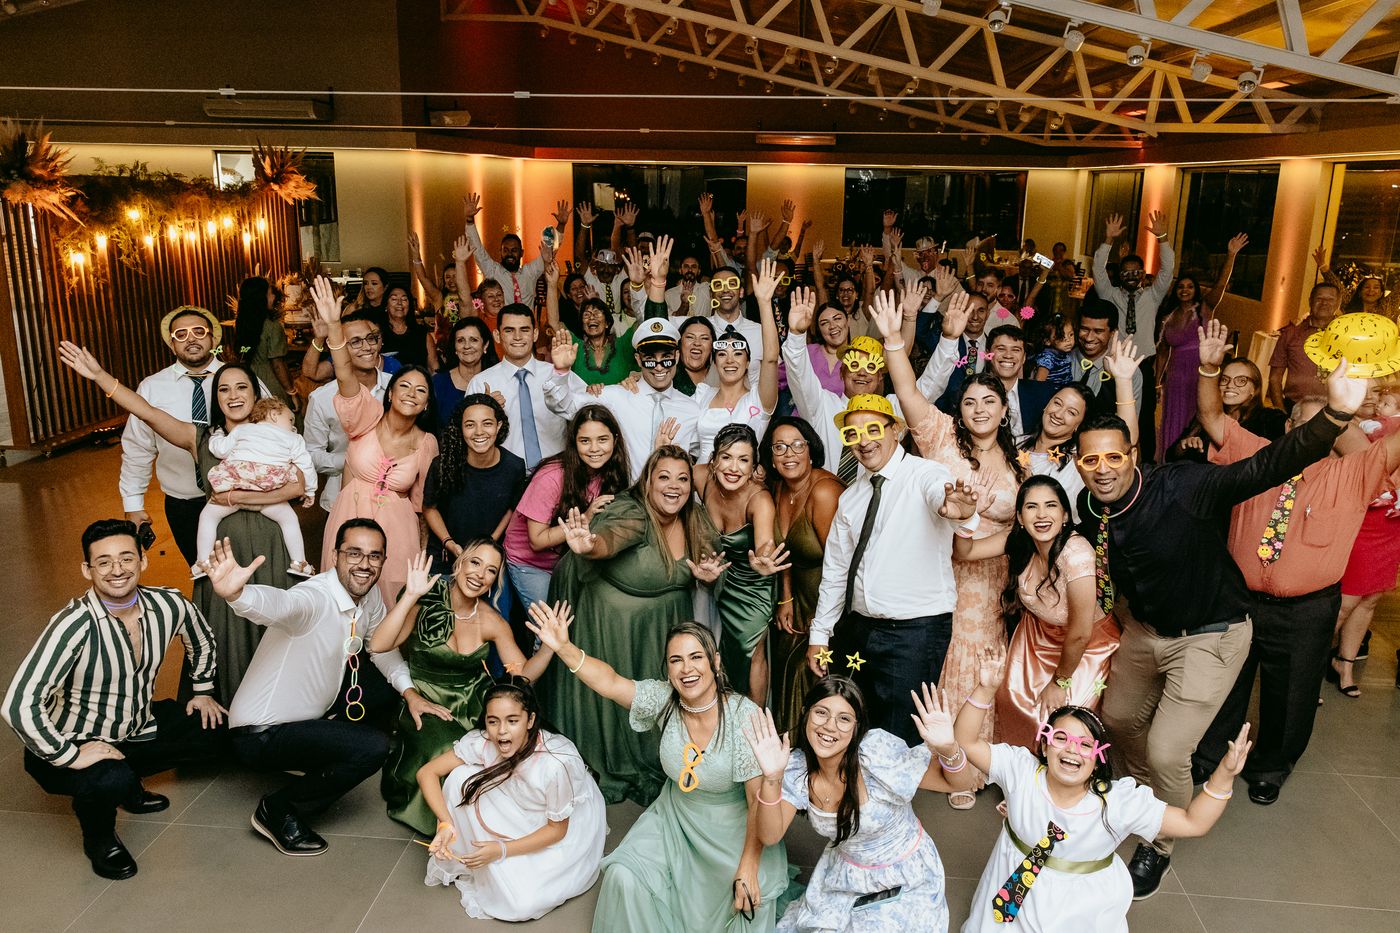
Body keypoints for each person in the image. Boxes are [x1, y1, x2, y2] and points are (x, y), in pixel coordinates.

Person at [1074, 357, 1362, 898]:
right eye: (1091, 459)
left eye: (1115, 456)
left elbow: (1263, 468)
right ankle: (1144, 798)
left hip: (1211, 633)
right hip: (1145, 632)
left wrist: (1336, 416)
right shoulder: (1091, 507)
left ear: (1133, 456)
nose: (1104, 468)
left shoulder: (1185, 486)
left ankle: (1160, 842)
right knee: (1116, 720)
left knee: (1167, 751)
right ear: (1078, 464)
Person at [1190, 319, 1400, 802]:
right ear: (1288, 426)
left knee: (1292, 694)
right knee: (1225, 683)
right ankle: (1210, 754)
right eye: (1305, 424)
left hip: (1307, 608)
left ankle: (1271, 766)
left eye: (1327, 425)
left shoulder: (1353, 473)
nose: (1313, 433)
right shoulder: (1255, 454)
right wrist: (1208, 368)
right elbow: (1211, 416)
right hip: (1240, 600)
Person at [58, 345, 305, 703]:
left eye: (242, 387)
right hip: (223, 551)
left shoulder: (276, 431)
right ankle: (224, 703)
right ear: (215, 398)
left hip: (271, 545)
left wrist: (236, 498)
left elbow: (297, 486)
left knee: (277, 623)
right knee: (225, 628)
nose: (233, 395)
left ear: (255, 394)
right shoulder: (201, 438)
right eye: (224, 389)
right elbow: (147, 412)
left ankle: (284, 706)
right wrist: (100, 377)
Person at [526, 608, 794, 933]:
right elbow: (610, 682)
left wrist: (749, 866)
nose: (686, 669)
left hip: (732, 830)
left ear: (716, 662)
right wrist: (563, 647)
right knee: (624, 876)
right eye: (675, 660)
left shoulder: (743, 716)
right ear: (667, 669)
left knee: (740, 901)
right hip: (674, 819)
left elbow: (756, 803)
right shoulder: (664, 699)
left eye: (696, 657)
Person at [955, 645, 1250, 932]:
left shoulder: (1117, 803)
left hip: (1079, 905)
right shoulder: (1021, 771)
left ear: (1098, 760)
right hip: (1010, 877)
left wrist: (1223, 776)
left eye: (1085, 745)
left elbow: (1193, 822)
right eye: (1061, 738)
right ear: (1045, 746)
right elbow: (966, 741)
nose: (1072, 749)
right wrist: (984, 689)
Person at [3, 519, 225, 880]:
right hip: (74, 739)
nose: (117, 570)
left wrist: (202, 691)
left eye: (126, 558)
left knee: (216, 728)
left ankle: (129, 784)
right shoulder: (73, 624)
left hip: (135, 728)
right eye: (103, 562)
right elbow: (18, 703)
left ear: (143, 560)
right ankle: (100, 839)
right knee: (107, 780)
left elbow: (201, 639)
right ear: (87, 570)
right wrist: (70, 755)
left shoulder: (169, 604)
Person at [209, 523, 431, 857]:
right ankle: (278, 808)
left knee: (385, 692)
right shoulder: (314, 597)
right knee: (373, 747)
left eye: (374, 556)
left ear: (384, 560)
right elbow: (281, 604)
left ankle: (320, 762)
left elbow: (381, 650)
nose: (364, 564)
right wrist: (237, 595)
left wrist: (410, 694)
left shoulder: (369, 596)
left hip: (309, 718)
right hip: (261, 734)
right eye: (354, 553)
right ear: (335, 555)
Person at [543, 446, 724, 803]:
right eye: (664, 477)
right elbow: (611, 538)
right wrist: (590, 544)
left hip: (662, 624)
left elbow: (712, 560)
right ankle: (609, 758)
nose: (673, 486)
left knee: (653, 697)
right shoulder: (632, 511)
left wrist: (707, 577)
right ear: (647, 481)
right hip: (612, 623)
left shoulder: (695, 518)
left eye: (682, 479)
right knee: (612, 694)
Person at [805, 393, 972, 746]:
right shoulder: (851, 497)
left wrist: (954, 509)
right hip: (859, 630)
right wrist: (819, 636)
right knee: (855, 726)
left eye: (873, 429)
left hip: (914, 633)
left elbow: (939, 495)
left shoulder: (925, 473)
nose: (863, 441)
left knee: (900, 737)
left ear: (895, 430)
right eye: (852, 434)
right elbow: (836, 571)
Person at [744, 678, 969, 931]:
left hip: (905, 877)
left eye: (844, 719)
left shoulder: (875, 755)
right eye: (821, 713)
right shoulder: (797, 768)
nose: (829, 726)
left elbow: (959, 783)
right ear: (806, 713)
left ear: (856, 727)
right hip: (846, 878)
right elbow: (769, 835)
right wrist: (772, 778)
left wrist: (949, 748)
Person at [372, 547, 555, 834]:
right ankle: (453, 824)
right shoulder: (425, 599)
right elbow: (378, 645)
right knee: (450, 751)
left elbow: (522, 676)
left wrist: (549, 648)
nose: (480, 574)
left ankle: (503, 820)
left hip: (476, 701)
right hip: (426, 700)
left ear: (494, 580)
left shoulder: (492, 620)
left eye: (491, 570)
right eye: (475, 563)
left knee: (528, 742)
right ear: (459, 563)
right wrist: (410, 596)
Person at [945, 476, 1119, 748]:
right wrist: (966, 519)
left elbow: (1080, 633)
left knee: (1066, 720)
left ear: (1065, 515)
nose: (1041, 515)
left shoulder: (1077, 554)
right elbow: (965, 552)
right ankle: (1024, 771)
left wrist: (1059, 682)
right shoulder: (1018, 540)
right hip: (1037, 635)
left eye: (1050, 505)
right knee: (1014, 702)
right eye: (1031, 507)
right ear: (1020, 517)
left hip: (1087, 645)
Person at [417, 679, 607, 922]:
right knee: (459, 778)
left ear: (530, 720)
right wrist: (445, 824)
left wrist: (502, 850)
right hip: (517, 797)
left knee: (520, 905)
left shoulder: (556, 764)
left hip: (556, 823)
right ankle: (472, 853)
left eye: (512, 721)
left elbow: (557, 830)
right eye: (493, 721)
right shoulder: (483, 741)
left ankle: (501, 853)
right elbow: (427, 773)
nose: (501, 731)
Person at [311, 277, 439, 601]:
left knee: (393, 603)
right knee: (342, 601)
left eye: (420, 390)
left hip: (399, 533)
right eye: (404, 386)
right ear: (390, 392)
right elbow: (344, 373)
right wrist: (333, 326)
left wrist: (422, 553)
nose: (411, 394)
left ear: (427, 404)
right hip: (348, 518)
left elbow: (422, 506)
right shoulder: (366, 417)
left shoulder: (427, 443)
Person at [544, 254, 703, 480]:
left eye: (667, 358)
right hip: (627, 497)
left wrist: (649, 283)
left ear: (677, 357)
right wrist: (560, 372)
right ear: (638, 360)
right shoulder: (617, 397)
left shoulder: (692, 409)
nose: (659, 366)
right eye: (650, 359)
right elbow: (564, 406)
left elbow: (702, 460)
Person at [119, 305, 225, 565]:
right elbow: (137, 449)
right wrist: (133, 504)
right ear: (172, 344)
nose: (191, 338)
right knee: (202, 571)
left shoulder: (240, 378)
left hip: (241, 498)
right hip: (184, 505)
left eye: (199, 331)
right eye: (181, 334)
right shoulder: (152, 387)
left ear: (213, 338)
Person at [502, 405, 632, 614]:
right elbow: (537, 541)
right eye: (585, 441)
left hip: (569, 559)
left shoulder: (611, 473)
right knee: (551, 624)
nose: (594, 448)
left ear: (615, 440)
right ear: (574, 443)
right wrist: (585, 518)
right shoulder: (551, 477)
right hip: (530, 562)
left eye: (602, 439)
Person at [760, 416, 843, 735]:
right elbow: (785, 551)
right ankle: (786, 753)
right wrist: (786, 598)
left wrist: (822, 626)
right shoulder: (779, 488)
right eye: (779, 447)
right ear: (771, 457)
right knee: (781, 664)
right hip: (797, 601)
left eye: (797, 445)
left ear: (811, 450)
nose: (789, 454)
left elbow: (841, 567)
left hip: (830, 608)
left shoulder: (825, 492)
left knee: (807, 676)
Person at [697, 424, 789, 704]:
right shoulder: (701, 477)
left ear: (754, 468)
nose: (733, 468)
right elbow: (666, 480)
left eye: (743, 460)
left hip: (753, 585)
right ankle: (723, 712)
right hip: (716, 580)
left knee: (752, 651)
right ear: (713, 460)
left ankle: (756, 717)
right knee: (717, 649)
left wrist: (764, 558)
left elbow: (764, 544)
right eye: (726, 457)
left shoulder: (759, 499)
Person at [783, 287, 903, 477]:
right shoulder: (823, 404)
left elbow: (927, 387)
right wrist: (797, 334)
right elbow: (799, 376)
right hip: (824, 492)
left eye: (870, 367)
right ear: (842, 372)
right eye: (854, 365)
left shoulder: (892, 409)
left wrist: (947, 339)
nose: (862, 372)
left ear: (880, 376)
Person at [194, 397, 318, 579]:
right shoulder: (294, 438)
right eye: (291, 420)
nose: (293, 427)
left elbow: (219, 449)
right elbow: (306, 465)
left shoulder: (242, 429)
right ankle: (299, 563)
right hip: (268, 491)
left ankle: (202, 563)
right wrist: (310, 490)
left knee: (208, 516)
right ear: (274, 414)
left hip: (236, 487)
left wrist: (217, 434)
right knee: (289, 519)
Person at [1092, 211, 1174, 461]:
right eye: (1125, 272)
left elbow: (1168, 269)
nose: (1130, 276)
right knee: (1112, 412)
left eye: (1136, 272)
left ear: (1143, 274)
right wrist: (1108, 239)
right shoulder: (1109, 294)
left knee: (1145, 416)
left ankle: (1145, 463)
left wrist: (1162, 237)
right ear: (1119, 275)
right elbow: (1097, 269)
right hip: (1114, 366)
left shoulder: (1153, 295)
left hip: (1144, 365)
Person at [1153, 233, 1246, 451]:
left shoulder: (1204, 309)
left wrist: (1231, 255)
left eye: (1189, 286)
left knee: (1198, 416)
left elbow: (1220, 285)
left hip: (1200, 374)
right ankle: (1170, 456)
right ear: (1175, 291)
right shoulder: (1168, 317)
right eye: (1180, 287)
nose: (1185, 290)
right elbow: (1163, 353)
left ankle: (1194, 456)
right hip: (1176, 378)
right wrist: (1157, 383)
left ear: (1196, 290)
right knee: (1173, 417)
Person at [422, 393, 526, 587]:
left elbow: (512, 509)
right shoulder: (442, 464)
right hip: (445, 556)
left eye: (487, 424)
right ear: (461, 428)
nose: (479, 432)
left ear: (499, 426)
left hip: (488, 560)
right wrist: (449, 543)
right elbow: (430, 508)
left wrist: (487, 545)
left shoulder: (515, 466)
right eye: (470, 425)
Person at [303, 309, 401, 513]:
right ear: (339, 348)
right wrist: (353, 459)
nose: (367, 347)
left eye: (371, 338)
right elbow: (311, 454)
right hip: (342, 499)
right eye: (355, 342)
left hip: (394, 497)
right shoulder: (322, 398)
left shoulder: (398, 388)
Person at [695, 258, 783, 461]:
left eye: (737, 353)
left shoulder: (757, 400)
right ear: (714, 361)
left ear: (748, 362)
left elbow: (771, 360)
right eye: (722, 353)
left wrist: (764, 303)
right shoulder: (702, 395)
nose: (730, 360)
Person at [467, 302, 567, 472]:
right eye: (509, 330)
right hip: (503, 476)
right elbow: (467, 436)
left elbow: (588, 409)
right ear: (497, 335)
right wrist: (486, 411)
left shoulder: (558, 373)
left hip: (556, 473)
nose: (518, 337)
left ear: (535, 334)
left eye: (524, 330)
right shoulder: (480, 383)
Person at [1167, 356, 1286, 462]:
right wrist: (1184, 446)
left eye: (1241, 380)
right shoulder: (1207, 415)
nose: (1230, 385)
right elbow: (1170, 455)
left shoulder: (1269, 419)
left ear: (1254, 389)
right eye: (1225, 379)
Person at [461, 192, 568, 306]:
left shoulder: (530, 272)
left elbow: (550, 252)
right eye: (506, 250)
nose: (510, 254)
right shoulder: (492, 271)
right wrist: (469, 220)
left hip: (527, 318)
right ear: (500, 252)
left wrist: (561, 225)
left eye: (514, 250)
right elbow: (478, 250)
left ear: (521, 253)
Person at [1268, 283, 1341, 411]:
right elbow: (1275, 378)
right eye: (1319, 298)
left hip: (1334, 410)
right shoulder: (1291, 334)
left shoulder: (1347, 337)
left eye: (1330, 299)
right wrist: (1280, 411)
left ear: (1338, 304)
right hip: (1295, 408)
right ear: (1310, 301)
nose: (1324, 303)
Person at [234, 276, 296, 407]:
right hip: (269, 380)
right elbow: (277, 364)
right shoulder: (273, 326)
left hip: (247, 379)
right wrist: (291, 392)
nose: (274, 297)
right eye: (270, 293)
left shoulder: (241, 324)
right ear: (261, 298)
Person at [430, 316, 498, 429]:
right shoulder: (438, 383)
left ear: (485, 345)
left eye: (474, 340)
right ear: (455, 347)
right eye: (460, 340)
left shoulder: (498, 380)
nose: (467, 346)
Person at [380, 285, 435, 371]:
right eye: (394, 299)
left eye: (404, 299)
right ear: (386, 305)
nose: (399, 303)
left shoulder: (421, 333)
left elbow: (433, 368)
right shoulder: (378, 333)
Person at [807, 303, 853, 397]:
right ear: (819, 330)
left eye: (837, 319)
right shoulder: (808, 353)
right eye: (824, 323)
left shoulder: (859, 356)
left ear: (848, 321)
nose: (832, 326)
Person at [674, 315, 717, 396]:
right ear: (680, 344)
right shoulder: (668, 378)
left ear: (712, 346)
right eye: (690, 337)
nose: (697, 343)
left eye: (704, 338)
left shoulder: (722, 376)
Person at [1031, 314, 1076, 388]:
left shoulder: (1064, 353)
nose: (1068, 340)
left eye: (1071, 334)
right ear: (1047, 341)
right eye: (1061, 336)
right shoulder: (1047, 357)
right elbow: (1039, 382)